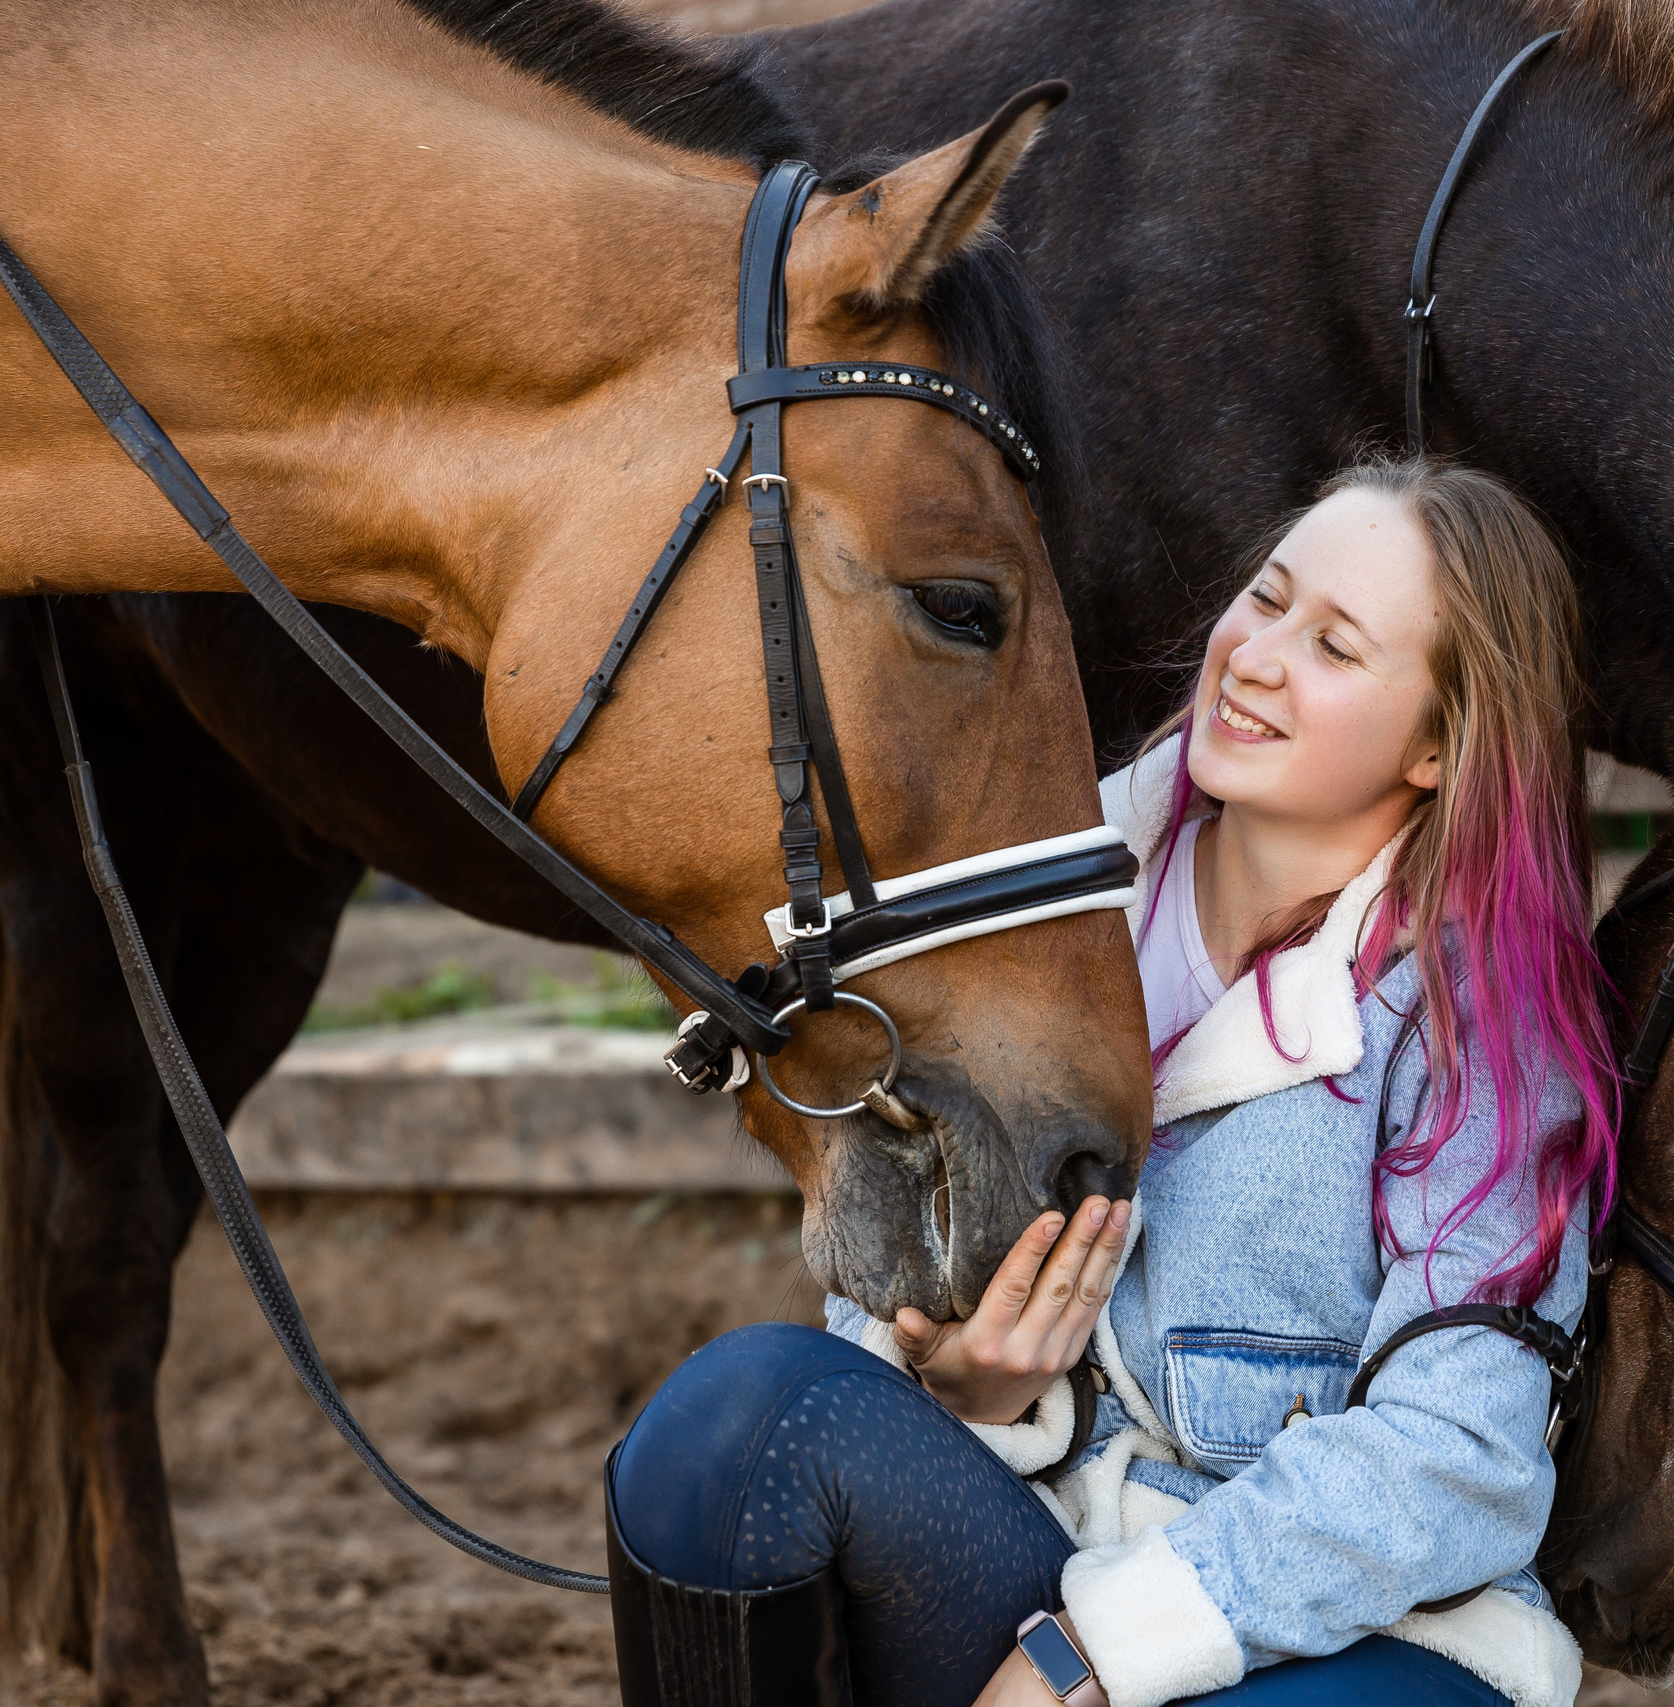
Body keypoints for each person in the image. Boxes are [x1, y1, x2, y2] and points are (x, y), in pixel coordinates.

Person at [605, 456, 1621, 1707]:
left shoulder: (1480, 1031)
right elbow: (889, 1239)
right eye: (1267, 597)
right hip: (1036, 1548)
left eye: (1335, 647)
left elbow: (1457, 1457)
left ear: (1438, 747)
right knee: (736, 1430)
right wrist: (958, 1385)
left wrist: (1095, 1657)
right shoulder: (1032, 909)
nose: (1252, 655)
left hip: (1353, 1634)